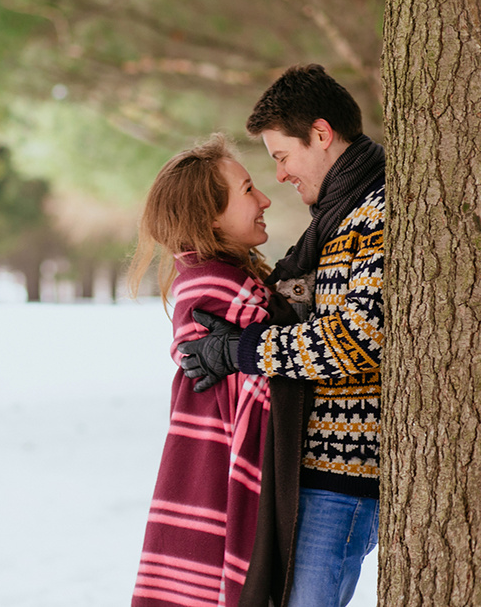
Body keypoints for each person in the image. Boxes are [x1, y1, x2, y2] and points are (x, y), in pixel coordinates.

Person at [178, 64, 384, 607]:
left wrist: (241, 351)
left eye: (281, 156)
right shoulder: (341, 216)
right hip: (323, 473)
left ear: (320, 134)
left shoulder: (373, 214)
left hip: (345, 476)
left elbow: (357, 340)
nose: (281, 176)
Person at [127, 134, 288, 607]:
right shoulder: (219, 303)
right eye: (247, 190)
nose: (265, 198)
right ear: (209, 218)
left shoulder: (235, 291)